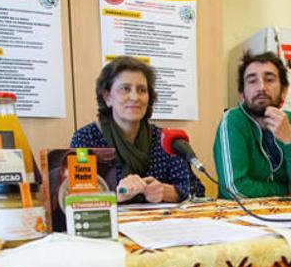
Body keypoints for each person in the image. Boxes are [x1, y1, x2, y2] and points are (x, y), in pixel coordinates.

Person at [70, 56, 198, 203]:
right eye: (125, 89)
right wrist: (116, 197)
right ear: (107, 97)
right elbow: (77, 198)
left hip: (159, 223)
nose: (135, 97)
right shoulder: (86, 138)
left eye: (142, 90)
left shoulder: (166, 139)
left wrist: (166, 192)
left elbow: (197, 190)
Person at [213, 51, 291, 199]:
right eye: (252, 81)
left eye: (269, 79)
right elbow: (234, 189)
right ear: (242, 94)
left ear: (284, 90)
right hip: (238, 217)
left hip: (289, 216)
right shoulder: (233, 121)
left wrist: (290, 141)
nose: (261, 87)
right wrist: (285, 191)